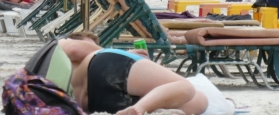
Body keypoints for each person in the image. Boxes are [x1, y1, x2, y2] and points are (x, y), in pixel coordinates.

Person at [59, 33, 207, 115]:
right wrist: (121, 53)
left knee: (198, 100)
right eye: (89, 43)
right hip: (107, 69)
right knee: (186, 87)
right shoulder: (65, 43)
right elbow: (72, 48)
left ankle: (146, 110)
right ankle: (139, 109)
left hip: (97, 103)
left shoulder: (59, 75)